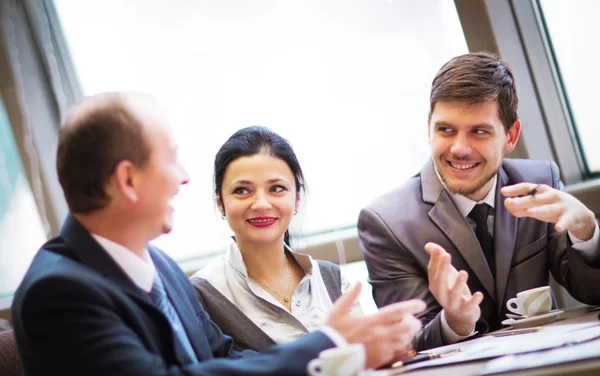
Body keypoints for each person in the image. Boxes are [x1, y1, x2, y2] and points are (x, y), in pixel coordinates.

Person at [11, 92, 426, 376]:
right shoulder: (59, 291)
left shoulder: (157, 265)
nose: (185, 178)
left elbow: (222, 357)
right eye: (171, 159)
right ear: (128, 180)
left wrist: (345, 354)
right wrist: (329, 344)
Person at [358, 52, 600, 351]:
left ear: (510, 136)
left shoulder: (541, 181)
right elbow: (407, 342)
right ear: (429, 128)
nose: (459, 148)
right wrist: (455, 322)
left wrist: (587, 231)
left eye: (479, 132)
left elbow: (593, 291)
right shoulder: (386, 222)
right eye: (445, 130)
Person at [190, 126, 363, 353]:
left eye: (277, 188)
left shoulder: (332, 279)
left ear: (297, 199)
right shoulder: (201, 295)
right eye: (242, 191)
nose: (261, 203)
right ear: (220, 203)